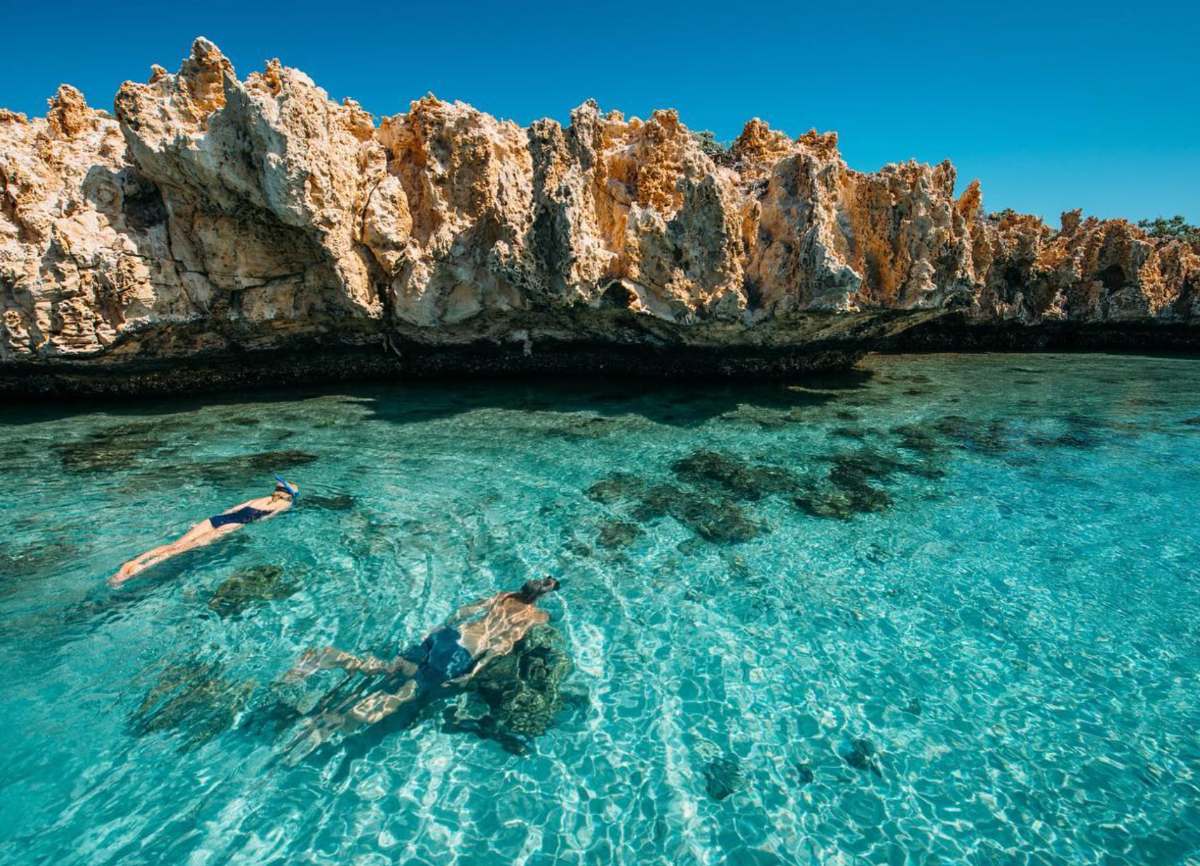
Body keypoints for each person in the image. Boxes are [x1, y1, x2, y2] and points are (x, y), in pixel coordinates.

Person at [286, 577, 561, 737]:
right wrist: (474, 672)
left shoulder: (502, 596)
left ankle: (335, 658)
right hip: (462, 652)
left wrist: (438, 628)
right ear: (542, 596)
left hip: (447, 636)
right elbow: (501, 645)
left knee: (391, 668)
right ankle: (341, 721)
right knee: (407, 691)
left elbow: (464, 612)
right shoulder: (536, 616)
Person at [109, 476, 299, 587]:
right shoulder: (284, 505)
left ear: (277, 488)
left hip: (214, 520)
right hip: (230, 526)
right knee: (181, 550)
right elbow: (262, 520)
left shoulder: (260, 497)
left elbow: (231, 510)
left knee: (174, 545)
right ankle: (137, 571)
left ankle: (134, 563)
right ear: (290, 495)